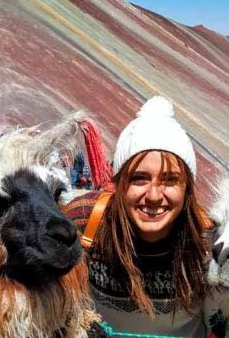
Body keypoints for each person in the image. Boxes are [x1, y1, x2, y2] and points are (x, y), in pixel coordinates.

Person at [65, 96, 210, 336]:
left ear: (187, 189)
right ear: (119, 184)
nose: (153, 195)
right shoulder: (85, 221)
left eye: (170, 180)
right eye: (139, 178)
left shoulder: (208, 242)